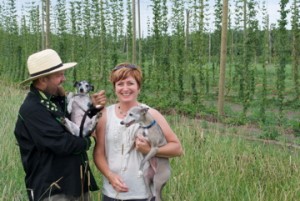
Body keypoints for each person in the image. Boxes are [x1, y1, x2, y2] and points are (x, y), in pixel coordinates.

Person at [14, 49, 106, 201]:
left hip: (74, 183)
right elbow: (62, 143)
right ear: (43, 79)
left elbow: (75, 126)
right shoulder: (33, 109)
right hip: (54, 190)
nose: (64, 79)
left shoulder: (52, 101)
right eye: (59, 75)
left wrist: (91, 110)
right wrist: (86, 142)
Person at [93, 63, 183, 201]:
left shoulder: (151, 115)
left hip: (143, 195)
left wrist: (150, 150)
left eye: (130, 83)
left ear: (138, 88)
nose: (125, 88)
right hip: (112, 193)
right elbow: (99, 153)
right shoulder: (105, 115)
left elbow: (177, 148)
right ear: (115, 88)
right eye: (120, 84)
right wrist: (110, 176)